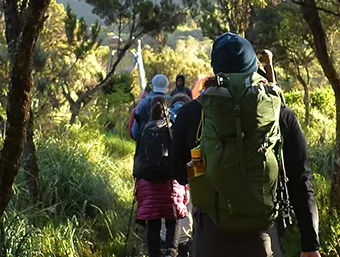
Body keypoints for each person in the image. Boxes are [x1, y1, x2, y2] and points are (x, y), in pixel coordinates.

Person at [169, 33, 321, 257]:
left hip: (211, 235)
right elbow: (301, 180)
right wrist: (310, 245)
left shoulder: (192, 112)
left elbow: (180, 174)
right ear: (252, 66)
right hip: (263, 237)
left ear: (216, 68)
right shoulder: (279, 112)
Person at [135, 95, 190, 257]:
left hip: (147, 182)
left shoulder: (145, 129)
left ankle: (154, 254)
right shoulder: (171, 128)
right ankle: (171, 252)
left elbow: (138, 158)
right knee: (173, 220)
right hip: (170, 183)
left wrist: (137, 184)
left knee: (153, 224)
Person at [132, 74, 172, 140]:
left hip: (146, 142)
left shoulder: (143, 103)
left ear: (153, 86)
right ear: (166, 86)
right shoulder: (172, 103)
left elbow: (135, 133)